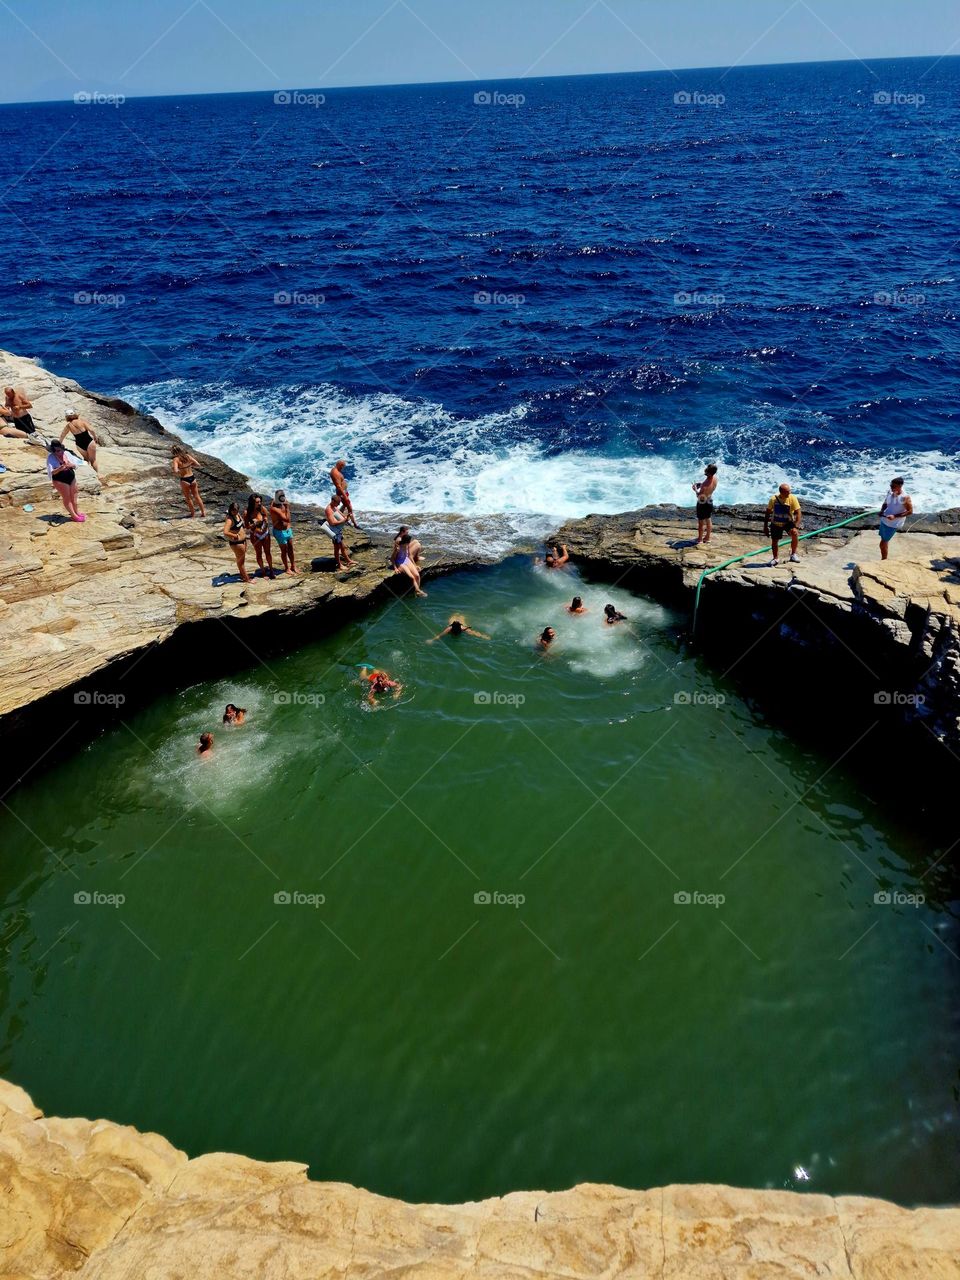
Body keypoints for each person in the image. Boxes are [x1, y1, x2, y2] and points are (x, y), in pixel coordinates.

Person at [46, 439, 85, 521]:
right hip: (60, 479)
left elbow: (76, 465)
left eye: (60, 450)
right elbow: (51, 472)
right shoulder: (51, 458)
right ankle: (73, 515)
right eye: (57, 451)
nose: (59, 452)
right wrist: (59, 469)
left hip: (71, 477)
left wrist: (71, 465)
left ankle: (76, 511)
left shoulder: (67, 453)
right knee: (67, 497)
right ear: (53, 451)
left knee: (74, 495)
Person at [764, 483, 802, 566]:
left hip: (788, 522)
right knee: (774, 540)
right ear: (781, 492)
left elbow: (798, 512)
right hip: (776, 523)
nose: (789, 493)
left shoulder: (792, 498)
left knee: (795, 534)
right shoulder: (773, 499)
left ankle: (793, 554)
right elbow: (768, 512)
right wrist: (765, 526)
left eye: (789, 491)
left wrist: (796, 525)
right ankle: (775, 558)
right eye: (787, 491)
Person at [879, 477, 913, 560]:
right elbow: (886, 503)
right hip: (884, 520)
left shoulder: (904, 497)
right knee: (883, 541)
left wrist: (895, 516)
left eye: (894, 486)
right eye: (891, 485)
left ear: (900, 486)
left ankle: (884, 560)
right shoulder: (890, 492)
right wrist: (882, 510)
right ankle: (884, 559)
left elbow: (910, 511)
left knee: (883, 543)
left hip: (893, 523)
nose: (891, 488)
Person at [61, 412, 101, 478]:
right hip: (89, 441)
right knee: (93, 460)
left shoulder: (68, 426)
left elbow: (63, 435)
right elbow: (91, 430)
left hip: (79, 444)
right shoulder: (82, 421)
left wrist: (60, 443)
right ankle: (97, 475)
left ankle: (88, 475)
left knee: (85, 459)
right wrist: (95, 437)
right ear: (75, 415)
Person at [245, 494, 276, 579]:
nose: (259, 503)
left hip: (265, 532)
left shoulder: (262, 508)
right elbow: (246, 526)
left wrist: (265, 522)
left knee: (268, 552)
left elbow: (266, 517)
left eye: (260, 501)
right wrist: (254, 524)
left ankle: (271, 570)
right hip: (255, 535)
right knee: (259, 553)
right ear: (252, 503)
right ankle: (263, 572)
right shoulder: (247, 512)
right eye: (257, 502)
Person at [322, 493, 354, 570]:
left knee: (342, 547)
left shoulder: (334, 507)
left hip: (338, 530)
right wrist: (344, 520)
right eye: (337, 503)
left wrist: (347, 516)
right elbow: (332, 523)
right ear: (333, 501)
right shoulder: (329, 509)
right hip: (334, 531)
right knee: (336, 549)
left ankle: (348, 560)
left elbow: (342, 515)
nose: (338, 505)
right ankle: (339, 565)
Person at [172, 445, 206, 517]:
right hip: (192, 478)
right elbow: (198, 464)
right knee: (197, 496)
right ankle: (203, 513)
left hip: (184, 480)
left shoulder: (176, 459)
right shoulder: (188, 456)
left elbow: (175, 470)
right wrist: (189, 465)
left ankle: (193, 514)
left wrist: (180, 470)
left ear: (174, 452)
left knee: (188, 498)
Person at [270, 490, 297, 574]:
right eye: (281, 496)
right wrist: (287, 507)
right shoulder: (274, 508)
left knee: (291, 548)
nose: (283, 497)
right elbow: (287, 519)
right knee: (284, 550)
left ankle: (293, 565)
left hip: (287, 529)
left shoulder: (282, 503)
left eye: (283, 495)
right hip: (279, 531)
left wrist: (285, 505)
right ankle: (287, 568)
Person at [223, 502, 251, 583]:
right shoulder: (229, 519)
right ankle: (247, 579)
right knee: (241, 562)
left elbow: (242, 525)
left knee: (241, 560)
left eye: (236, 510)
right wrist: (234, 535)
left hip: (243, 541)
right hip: (237, 543)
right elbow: (225, 532)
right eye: (233, 510)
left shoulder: (238, 515)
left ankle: (242, 575)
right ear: (230, 510)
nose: (235, 512)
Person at [693, 463, 719, 545]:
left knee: (701, 522)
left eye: (706, 471)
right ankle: (707, 537)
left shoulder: (704, 485)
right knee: (708, 519)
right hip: (710, 500)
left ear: (708, 472)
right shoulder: (715, 478)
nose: (705, 471)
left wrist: (695, 490)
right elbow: (709, 487)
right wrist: (701, 485)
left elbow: (700, 496)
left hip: (703, 503)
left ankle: (700, 539)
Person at [330, 459, 358, 526]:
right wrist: (345, 496)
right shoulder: (335, 473)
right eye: (343, 466)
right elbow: (339, 486)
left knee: (345, 505)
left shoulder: (335, 471)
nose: (343, 468)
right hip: (342, 493)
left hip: (343, 492)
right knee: (349, 508)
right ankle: (355, 524)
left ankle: (336, 516)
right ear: (340, 465)